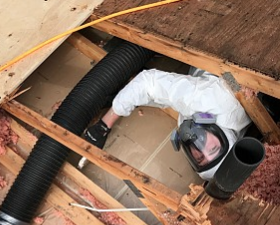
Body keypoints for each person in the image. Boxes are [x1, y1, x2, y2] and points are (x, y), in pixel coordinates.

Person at [84, 67, 252, 181]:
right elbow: (147, 82)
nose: (200, 143)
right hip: (216, 62)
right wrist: (103, 125)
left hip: (217, 78)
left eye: (199, 156)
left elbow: (169, 99)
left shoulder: (224, 123)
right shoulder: (210, 102)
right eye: (213, 148)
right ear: (227, 140)